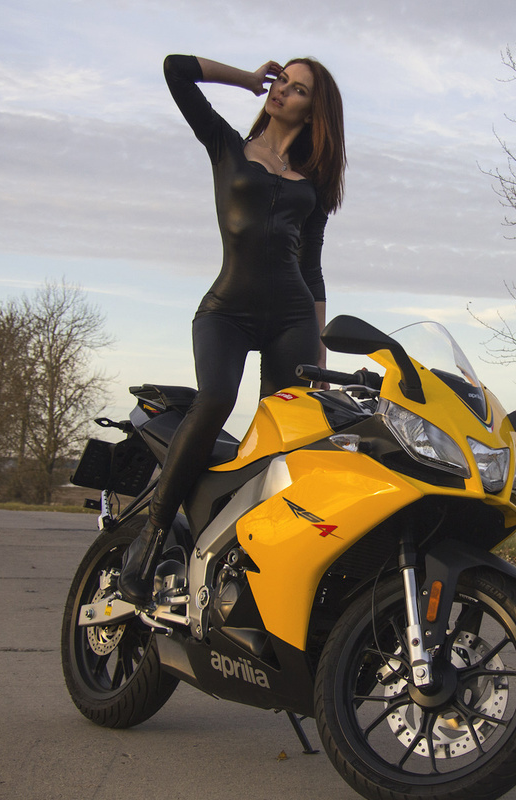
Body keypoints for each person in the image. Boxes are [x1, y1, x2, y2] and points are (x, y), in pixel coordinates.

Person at [119, 53, 347, 605]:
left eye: (296, 89)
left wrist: (318, 352)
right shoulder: (226, 144)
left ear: (313, 109)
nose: (282, 91)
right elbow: (174, 69)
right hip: (226, 308)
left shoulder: (311, 184)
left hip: (291, 316)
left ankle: (249, 559)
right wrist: (244, 79)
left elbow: (312, 269)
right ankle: (151, 538)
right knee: (217, 397)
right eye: (281, 81)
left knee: (288, 437)